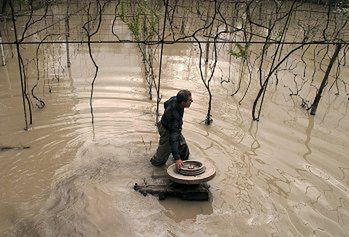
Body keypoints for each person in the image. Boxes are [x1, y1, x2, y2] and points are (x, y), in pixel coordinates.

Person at [150, 90, 193, 170]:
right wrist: (177, 159)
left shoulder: (174, 99)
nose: (192, 101)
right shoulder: (174, 117)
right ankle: (155, 166)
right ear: (183, 103)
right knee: (158, 162)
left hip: (171, 127)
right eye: (189, 100)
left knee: (184, 151)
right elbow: (173, 138)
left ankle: (179, 157)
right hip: (167, 130)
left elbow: (166, 103)